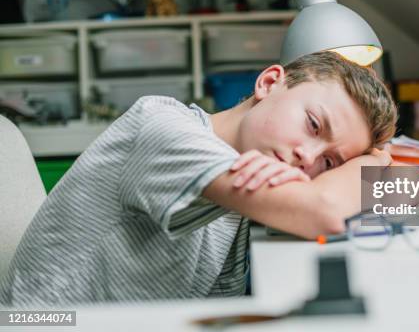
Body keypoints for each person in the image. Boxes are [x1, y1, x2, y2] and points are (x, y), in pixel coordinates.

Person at [0, 51, 397, 305]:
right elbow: (320, 210)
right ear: (270, 82)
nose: (306, 158)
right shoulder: (161, 126)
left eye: (329, 163)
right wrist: (375, 164)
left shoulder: (251, 163)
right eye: (312, 125)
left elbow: (405, 195)